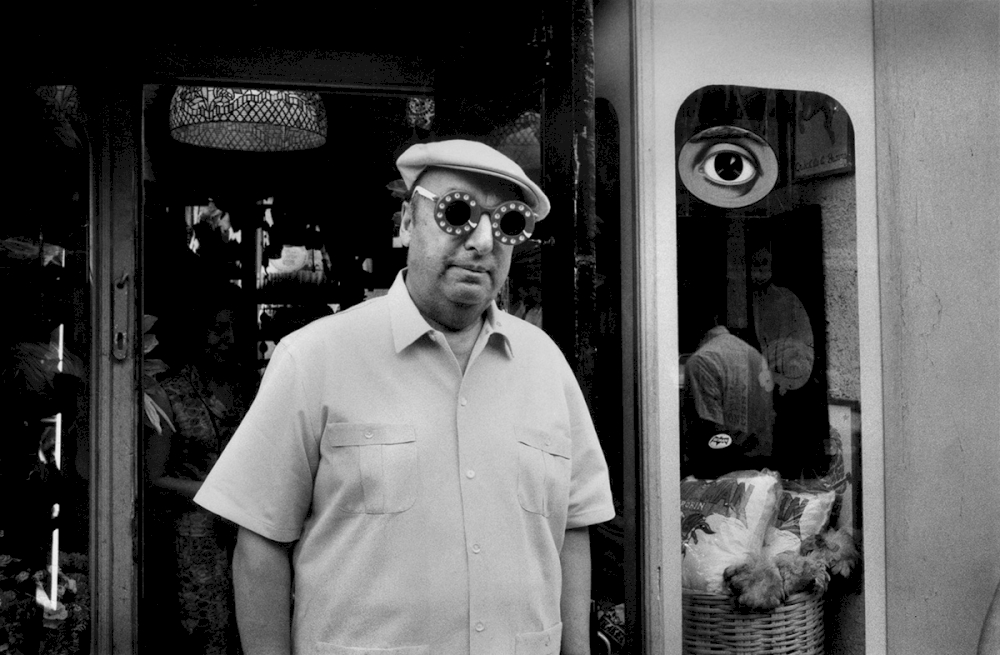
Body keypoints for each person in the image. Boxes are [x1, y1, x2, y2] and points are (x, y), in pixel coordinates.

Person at [194, 140, 616, 655]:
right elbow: (260, 543)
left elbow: (572, 527)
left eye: (507, 223)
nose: (483, 241)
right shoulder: (316, 357)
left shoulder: (545, 364)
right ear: (407, 223)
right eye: (457, 212)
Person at [145, 287, 252, 655]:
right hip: (194, 543)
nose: (230, 340)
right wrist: (216, 491)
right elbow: (154, 477)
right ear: (195, 332)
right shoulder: (167, 393)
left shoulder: (250, 388)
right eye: (218, 329)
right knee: (204, 636)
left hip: (250, 537)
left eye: (236, 329)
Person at [681, 316, 775, 479]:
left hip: (722, 470)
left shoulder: (701, 360)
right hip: (760, 467)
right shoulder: (754, 354)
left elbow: (709, 428)